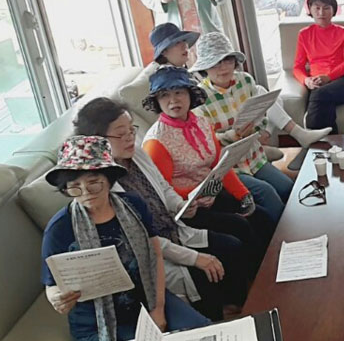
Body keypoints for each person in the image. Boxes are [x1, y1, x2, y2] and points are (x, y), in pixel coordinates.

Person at [73, 98, 252, 321]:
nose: (130, 137)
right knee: (203, 272)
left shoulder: (137, 154)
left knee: (232, 244)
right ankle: (219, 317)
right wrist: (195, 257)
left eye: (131, 130)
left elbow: (164, 187)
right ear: (97, 140)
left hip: (174, 228)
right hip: (152, 253)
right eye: (121, 134)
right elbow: (143, 240)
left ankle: (240, 304)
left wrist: (180, 205)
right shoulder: (99, 187)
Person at [42, 135, 211, 341]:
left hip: (145, 298)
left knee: (203, 334)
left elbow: (155, 255)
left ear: (109, 180)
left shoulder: (133, 205)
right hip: (96, 319)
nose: (86, 193)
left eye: (93, 183)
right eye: (75, 186)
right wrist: (57, 298)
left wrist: (158, 308)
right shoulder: (60, 228)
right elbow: (52, 284)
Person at [141, 66, 274, 266]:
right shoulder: (156, 141)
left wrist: (243, 194)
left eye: (179, 92)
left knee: (262, 216)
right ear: (157, 102)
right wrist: (197, 195)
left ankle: (277, 267)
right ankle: (260, 278)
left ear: (190, 94)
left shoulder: (201, 122)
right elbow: (163, 192)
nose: (173, 100)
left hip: (212, 192)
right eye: (164, 95)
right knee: (240, 226)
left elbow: (220, 164)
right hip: (186, 209)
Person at [192, 32, 313, 224]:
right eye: (215, 63)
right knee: (268, 194)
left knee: (289, 187)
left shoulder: (245, 80)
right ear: (205, 68)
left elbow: (261, 114)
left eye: (227, 60)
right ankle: (285, 235)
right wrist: (232, 135)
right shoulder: (198, 97)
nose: (223, 67)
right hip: (229, 168)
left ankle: (304, 226)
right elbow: (205, 142)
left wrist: (258, 129)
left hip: (255, 157)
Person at [293, 0, 344, 132]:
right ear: (310, 9)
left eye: (326, 8)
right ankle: (332, 141)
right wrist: (306, 81)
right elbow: (298, 67)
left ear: (334, 10)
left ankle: (312, 136)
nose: (321, 13)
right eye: (317, 8)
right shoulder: (304, 34)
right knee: (323, 101)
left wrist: (328, 77)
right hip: (317, 82)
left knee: (319, 95)